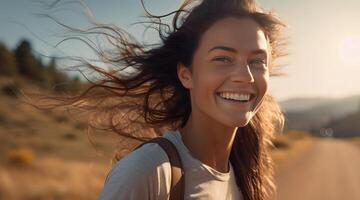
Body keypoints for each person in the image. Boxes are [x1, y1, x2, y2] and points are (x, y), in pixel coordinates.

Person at [40, 0, 285, 199]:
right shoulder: (145, 173)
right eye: (223, 59)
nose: (245, 76)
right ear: (186, 74)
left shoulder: (247, 173)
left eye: (257, 61)